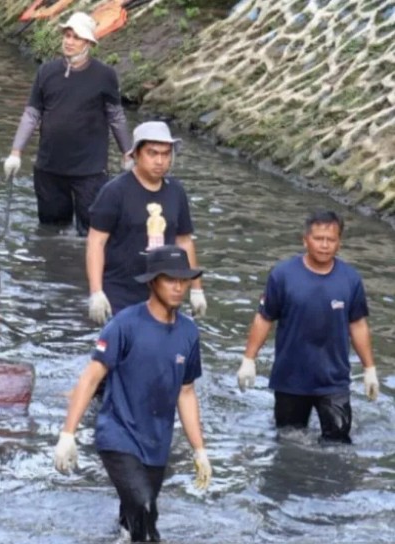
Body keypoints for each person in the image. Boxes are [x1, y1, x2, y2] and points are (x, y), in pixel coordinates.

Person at [54, 245, 211, 542]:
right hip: (118, 435)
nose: (179, 287)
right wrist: (67, 434)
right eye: (170, 279)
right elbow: (90, 378)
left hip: (157, 442)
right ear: (153, 282)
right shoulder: (124, 325)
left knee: (136, 519)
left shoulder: (189, 333)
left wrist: (199, 450)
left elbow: (186, 392)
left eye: (184, 280)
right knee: (144, 512)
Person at [237, 210, 379, 444]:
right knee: (288, 442)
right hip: (290, 379)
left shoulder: (350, 279)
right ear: (305, 240)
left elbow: (358, 324)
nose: (324, 245)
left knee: (338, 446)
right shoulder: (282, 275)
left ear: (339, 243)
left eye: (331, 239)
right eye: (318, 238)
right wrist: (248, 360)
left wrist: (369, 369)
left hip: (334, 380)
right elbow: (264, 317)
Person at [2, 11, 131, 236]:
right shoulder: (46, 72)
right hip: (49, 168)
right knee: (51, 231)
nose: (69, 41)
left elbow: (116, 116)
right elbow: (32, 114)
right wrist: (16, 152)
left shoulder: (105, 75)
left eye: (76, 37)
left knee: (92, 232)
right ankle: (54, 268)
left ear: (89, 42)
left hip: (90, 171)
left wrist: (128, 153)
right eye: (67, 35)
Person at [86, 121, 207, 325]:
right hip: (120, 293)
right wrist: (96, 292)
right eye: (152, 153)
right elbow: (95, 242)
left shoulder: (176, 192)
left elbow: (184, 241)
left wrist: (196, 289)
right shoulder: (114, 192)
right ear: (136, 155)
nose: (160, 161)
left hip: (163, 293)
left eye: (166, 154)